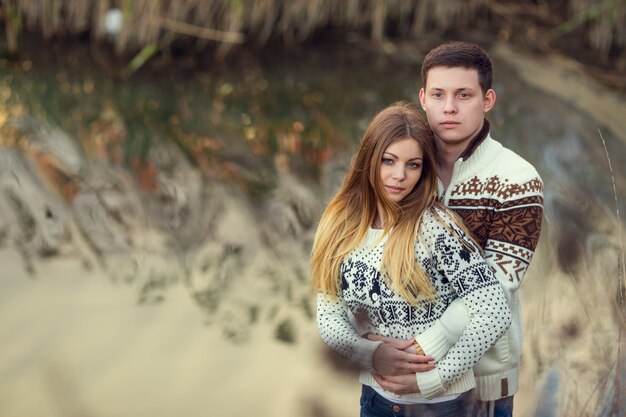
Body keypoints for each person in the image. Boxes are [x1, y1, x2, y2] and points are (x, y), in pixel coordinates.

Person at [369, 42, 544, 417]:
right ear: (423, 98)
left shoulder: (517, 179)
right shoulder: (402, 170)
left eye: (463, 95)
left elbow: (498, 286)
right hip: (395, 380)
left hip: (481, 385)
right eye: (438, 94)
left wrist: (423, 350)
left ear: (488, 99)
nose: (449, 107)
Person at [311, 101, 512, 416]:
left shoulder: (437, 229)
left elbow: (494, 313)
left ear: (424, 169)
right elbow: (328, 317)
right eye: (388, 161)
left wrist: (434, 379)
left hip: (443, 406)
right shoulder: (340, 225)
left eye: (413, 165)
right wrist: (370, 354)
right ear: (369, 158)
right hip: (375, 403)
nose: (399, 176)